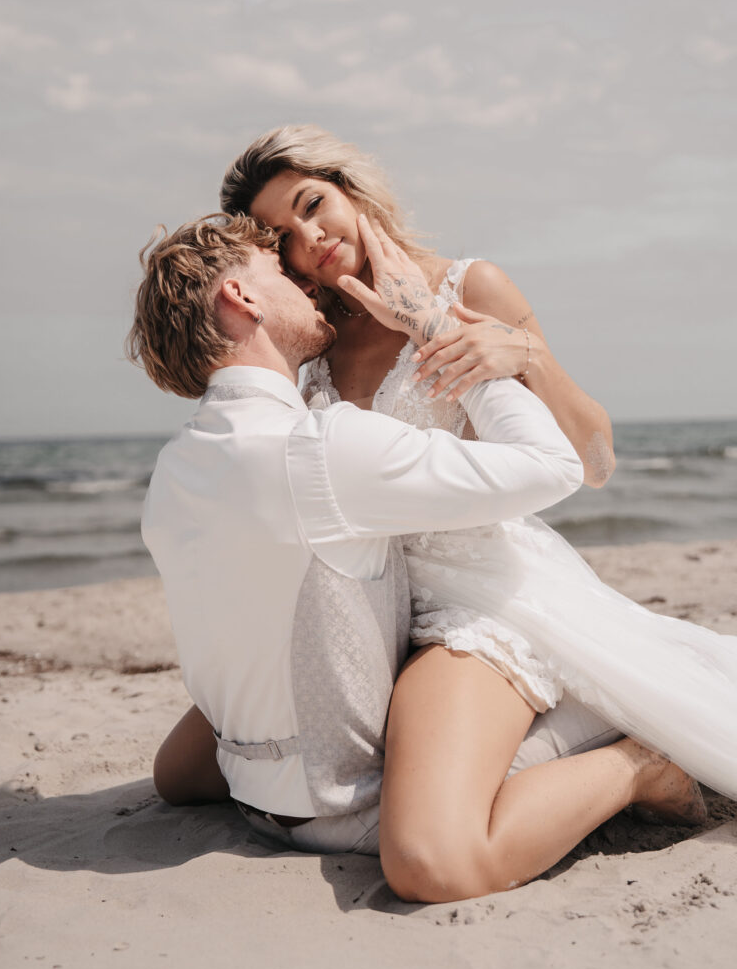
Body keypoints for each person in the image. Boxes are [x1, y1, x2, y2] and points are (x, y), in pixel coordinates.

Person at [129, 212, 703, 903]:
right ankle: (639, 763)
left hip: (271, 787)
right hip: (340, 803)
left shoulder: (172, 470)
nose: (305, 280)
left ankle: (616, 747)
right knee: (432, 860)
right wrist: (436, 328)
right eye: (278, 269)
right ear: (241, 297)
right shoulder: (320, 446)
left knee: (187, 772)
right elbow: (551, 465)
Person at [212, 124, 737, 817]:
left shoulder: (469, 284)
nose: (311, 237)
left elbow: (597, 463)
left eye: (313, 205)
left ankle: (618, 753)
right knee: (189, 773)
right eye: (283, 237)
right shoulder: (312, 337)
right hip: (367, 604)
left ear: (350, 190)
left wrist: (528, 357)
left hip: (477, 597)